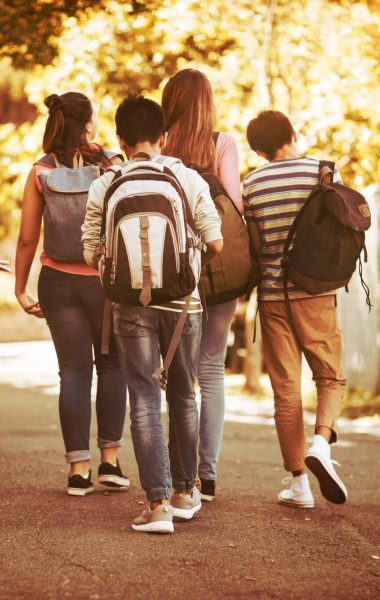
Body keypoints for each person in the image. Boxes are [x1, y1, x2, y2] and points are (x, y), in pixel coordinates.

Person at [82, 96, 223, 533]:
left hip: (128, 305)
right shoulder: (186, 177)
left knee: (143, 396)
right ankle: (185, 493)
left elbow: (90, 251)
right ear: (163, 138)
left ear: (121, 140)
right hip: (184, 304)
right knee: (183, 393)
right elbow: (215, 241)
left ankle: (157, 504)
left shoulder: (106, 183)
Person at [15, 92, 130, 496]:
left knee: (73, 373)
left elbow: (28, 238)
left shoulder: (40, 171)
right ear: (87, 125)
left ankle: (77, 471)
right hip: (106, 282)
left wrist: (19, 287)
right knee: (112, 366)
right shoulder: (112, 165)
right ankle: (111, 463)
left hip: (57, 283)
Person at [242, 110, 348, 509]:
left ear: (258, 149)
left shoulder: (252, 183)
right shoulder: (324, 173)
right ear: (292, 133)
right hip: (316, 292)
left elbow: (255, 246)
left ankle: (299, 484)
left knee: (286, 392)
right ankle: (321, 442)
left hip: (272, 297)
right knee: (330, 376)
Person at [161, 68, 242, 502]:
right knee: (211, 369)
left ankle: (181, 474)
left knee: (178, 372)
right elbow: (235, 204)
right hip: (222, 271)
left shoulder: (161, 145)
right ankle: (206, 476)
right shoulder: (221, 143)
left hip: (174, 272)